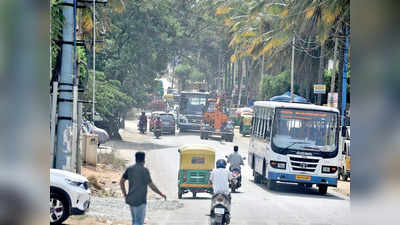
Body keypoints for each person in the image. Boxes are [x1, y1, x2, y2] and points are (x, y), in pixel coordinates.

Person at [120, 152, 166, 225]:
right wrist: (161, 194)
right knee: (139, 222)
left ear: (135, 159)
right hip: (141, 200)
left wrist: (125, 195)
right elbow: (151, 185)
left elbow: (121, 182)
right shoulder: (144, 170)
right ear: (144, 160)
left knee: (134, 220)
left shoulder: (130, 169)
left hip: (131, 199)